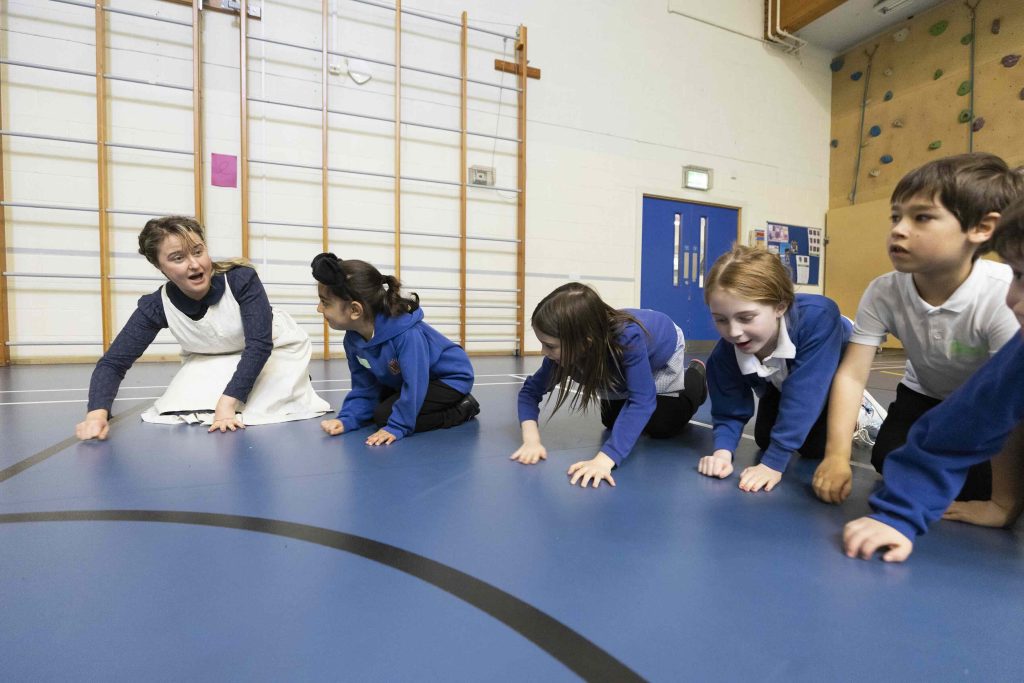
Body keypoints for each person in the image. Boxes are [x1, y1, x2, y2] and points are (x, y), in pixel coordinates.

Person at [814, 153, 1024, 514]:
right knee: (890, 463)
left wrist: (1001, 504)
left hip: (985, 402)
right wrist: (837, 455)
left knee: (978, 484)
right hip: (923, 394)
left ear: (982, 229)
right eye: (896, 217)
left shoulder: (1002, 294)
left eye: (922, 217)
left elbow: (1007, 400)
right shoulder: (883, 291)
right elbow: (852, 374)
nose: (898, 229)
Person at [844, 197, 1024, 562]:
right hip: (927, 393)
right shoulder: (1019, 355)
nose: (1012, 297)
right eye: (1017, 274)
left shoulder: (989, 295)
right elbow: (962, 426)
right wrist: (899, 513)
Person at [76, 216, 329, 439]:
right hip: (209, 359)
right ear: (159, 266)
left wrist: (228, 403)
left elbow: (260, 345)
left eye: (198, 252)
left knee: (258, 407)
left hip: (272, 352)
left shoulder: (241, 280)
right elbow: (113, 362)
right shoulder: (156, 305)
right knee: (179, 408)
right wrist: (97, 414)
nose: (194, 264)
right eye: (178, 258)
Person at [512, 282, 707, 489]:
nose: (544, 352)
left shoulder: (628, 339)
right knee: (612, 420)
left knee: (662, 426)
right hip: (618, 363)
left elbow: (642, 400)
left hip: (661, 349)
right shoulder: (561, 356)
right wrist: (531, 440)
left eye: (550, 346)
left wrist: (605, 459)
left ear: (584, 343)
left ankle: (696, 375)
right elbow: (530, 392)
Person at [697, 244, 851, 492]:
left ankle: (858, 410)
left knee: (814, 447)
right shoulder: (724, 354)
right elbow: (729, 409)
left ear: (780, 307)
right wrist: (722, 453)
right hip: (780, 377)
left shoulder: (819, 318)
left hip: (823, 372)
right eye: (721, 320)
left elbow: (805, 393)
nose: (734, 332)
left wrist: (773, 464)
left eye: (746, 318)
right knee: (766, 438)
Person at [313, 253, 478, 445]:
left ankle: (463, 409)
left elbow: (415, 384)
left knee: (384, 416)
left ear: (355, 310)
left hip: (449, 379)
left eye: (325, 303)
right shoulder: (352, 340)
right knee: (376, 406)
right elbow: (365, 387)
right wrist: (347, 419)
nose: (319, 309)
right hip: (408, 380)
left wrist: (397, 426)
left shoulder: (406, 335)